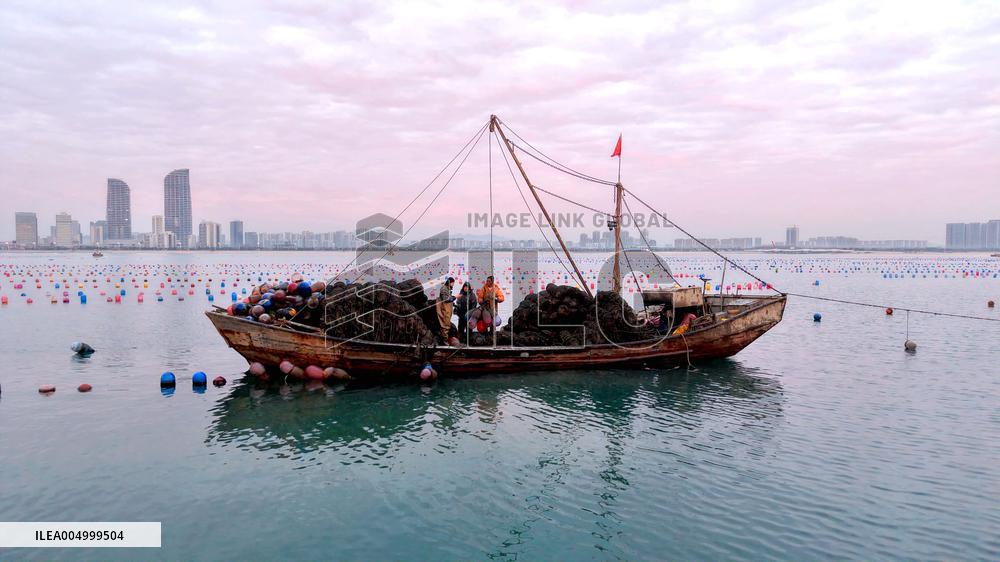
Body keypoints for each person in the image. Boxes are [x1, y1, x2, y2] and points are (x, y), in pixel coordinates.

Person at [435, 277, 456, 343]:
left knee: (446, 324)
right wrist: (454, 298)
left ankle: (445, 339)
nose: (453, 284)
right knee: (445, 325)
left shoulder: (448, 289)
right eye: (452, 283)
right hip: (444, 309)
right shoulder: (444, 289)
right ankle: (445, 341)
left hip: (447, 309)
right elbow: (446, 299)